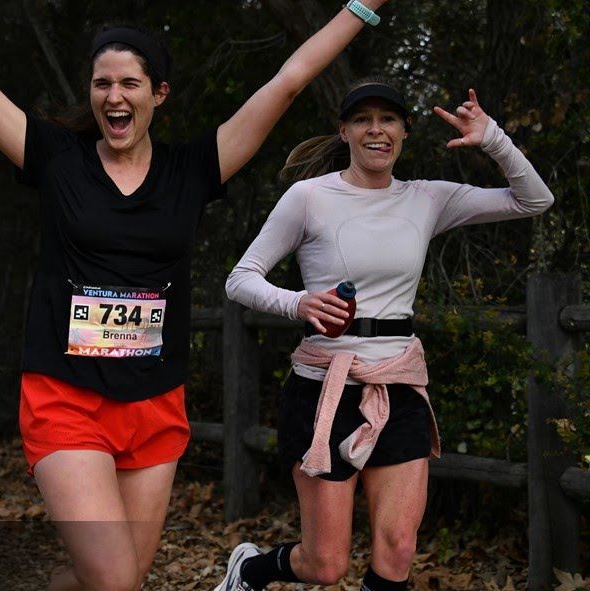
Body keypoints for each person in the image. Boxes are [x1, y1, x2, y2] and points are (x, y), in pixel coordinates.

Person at [0, 0, 429, 585]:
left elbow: (290, 79)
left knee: (116, 581)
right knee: (111, 578)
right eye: (102, 83)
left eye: (130, 84)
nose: (114, 96)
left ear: (157, 95)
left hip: (155, 403)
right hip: (65, 396)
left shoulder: (193, 170)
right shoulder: (55, 157)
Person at [217, 81, 553, 591]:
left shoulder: (428, 198)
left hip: (398, 384)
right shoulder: (309, 197)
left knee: (397, 550)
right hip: (324, 388)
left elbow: (535, 200)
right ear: (345, 131)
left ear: (404, 131)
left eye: (389, 120)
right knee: (325, 566)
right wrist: (299, 302)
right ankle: (250, 570)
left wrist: (494, 139)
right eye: (363, 120)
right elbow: (241, 278)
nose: (377, 130)